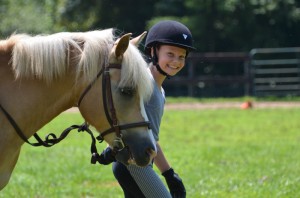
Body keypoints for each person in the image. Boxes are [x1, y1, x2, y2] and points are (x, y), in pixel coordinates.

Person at [98, 20, 196, 198]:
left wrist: (169, 173)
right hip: (132, 164)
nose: (176, 61)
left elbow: (150, 138)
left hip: (141, 163)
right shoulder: (141, 86)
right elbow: (117, 112)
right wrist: (111, 145)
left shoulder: (160, 90)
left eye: (181, 56)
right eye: (170, 54)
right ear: (153, 51)